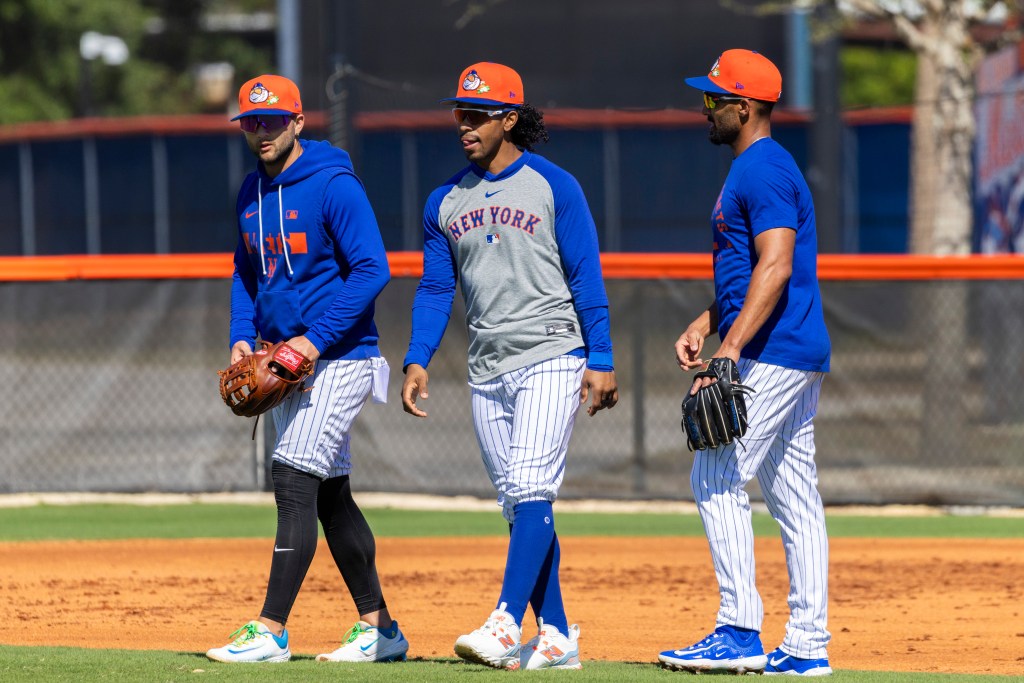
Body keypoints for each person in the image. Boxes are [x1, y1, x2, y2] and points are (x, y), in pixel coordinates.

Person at [401, 62, 618, 671]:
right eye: (459, 113)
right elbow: (435, 287)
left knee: (530, 487)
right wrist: (418, 358)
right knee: (519, 504)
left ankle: (503, 620)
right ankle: (555, 635)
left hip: (553, 352)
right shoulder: (445, 199)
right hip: (486, 366)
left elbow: (586, 278)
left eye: (477, 114)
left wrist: (600, 356)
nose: (463, 124)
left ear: (510, 118)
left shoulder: (555, 186)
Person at [205, 74, 408, 664]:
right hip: (283, 362)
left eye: (271, 121)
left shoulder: (333, 185)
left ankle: (270, 629)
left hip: (341, 357)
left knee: (293, 476)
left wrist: (314, 342)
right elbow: (247, 273)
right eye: (250, 122)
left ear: (297, 122)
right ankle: (380, 629)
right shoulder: (250, 190)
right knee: (330, 496)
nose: (260, 131)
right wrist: (243, 337)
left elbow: (373, 269)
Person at [658, 50, 832, 677]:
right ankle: (808, 645)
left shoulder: (760, 169)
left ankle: (737, 630)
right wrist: (708, 322)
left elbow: (777, 264)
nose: (705, 106)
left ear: (744, 107)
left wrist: (730, 349)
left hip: (772, 351)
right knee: (793, 496)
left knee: (715, 475)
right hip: (787, 347)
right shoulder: (759, 167)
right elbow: (748, 271)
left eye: (714, 98)